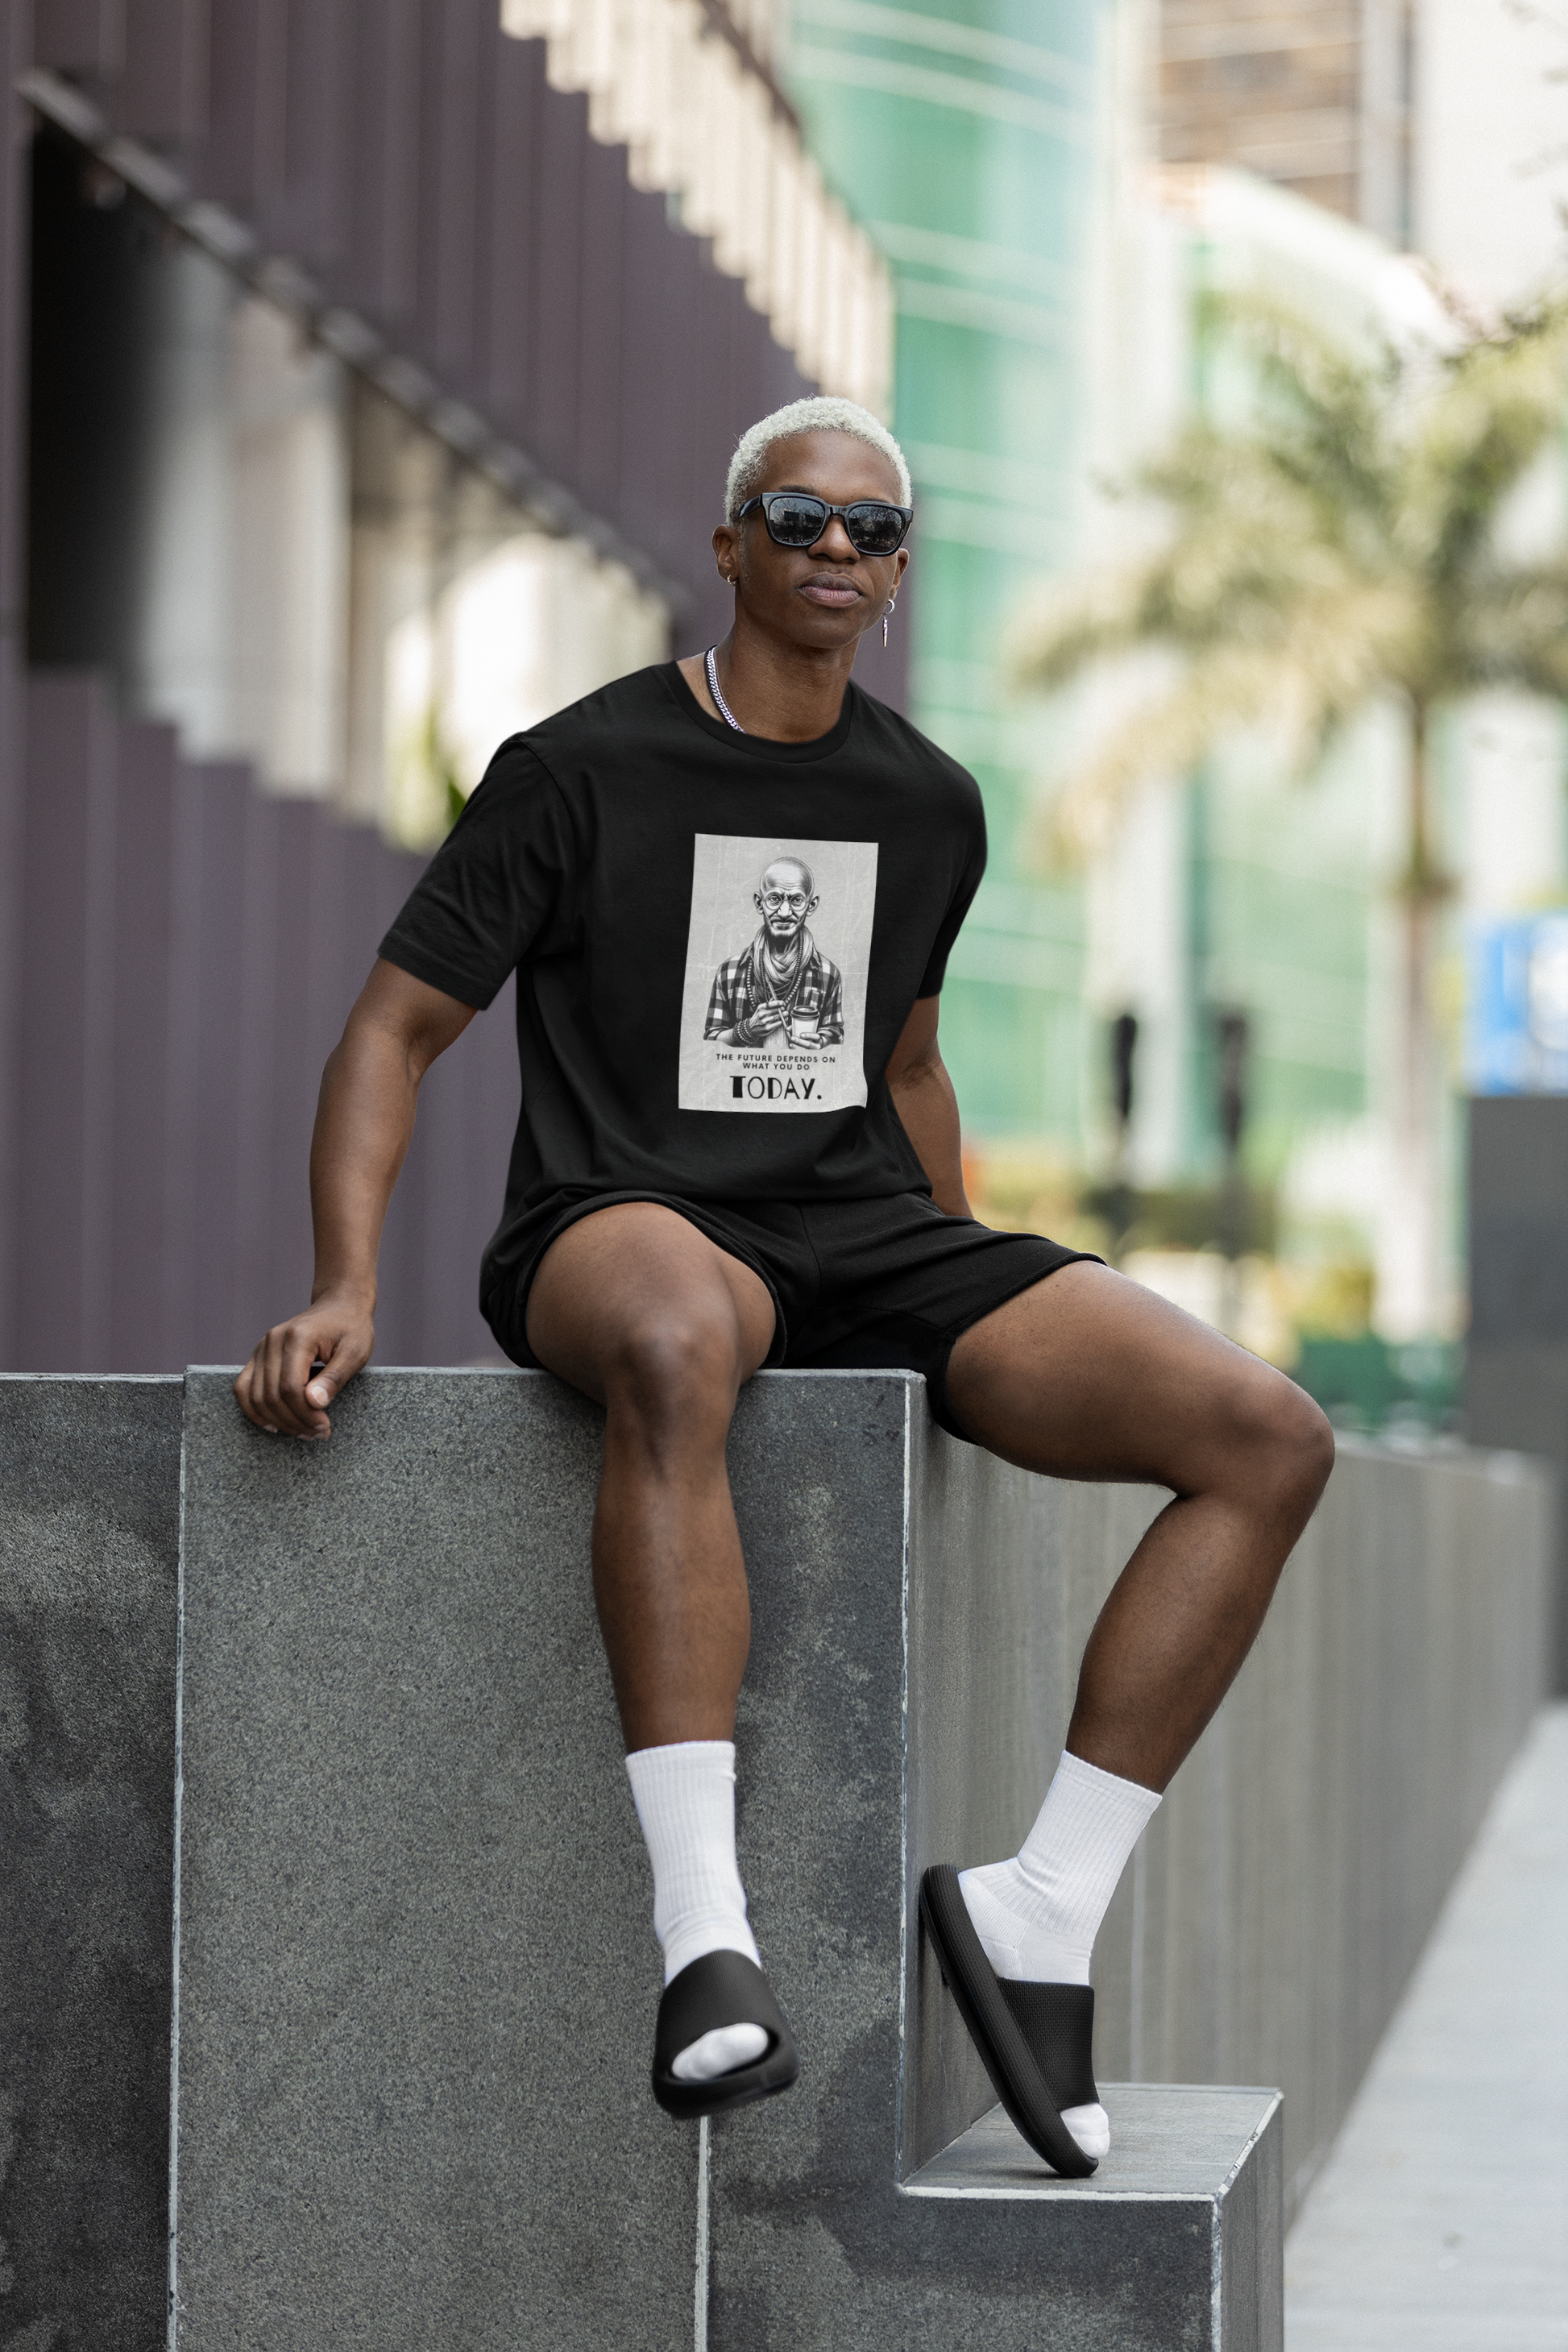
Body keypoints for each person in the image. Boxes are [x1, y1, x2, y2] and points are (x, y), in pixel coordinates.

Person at [234, 394, 1334, 2176]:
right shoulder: (576, 769)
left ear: (898, 577)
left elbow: (901, 1064)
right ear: (730, 540)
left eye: (873, 531)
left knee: (1267, 1433)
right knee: (678, 1339)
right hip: (624, 1216)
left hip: (856, 1232)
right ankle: (703, 1938)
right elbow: (397, 1026)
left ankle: (1041, 1910)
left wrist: (962, 1298)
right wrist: (344, 1279)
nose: (838, 549)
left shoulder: (925, 802)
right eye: (800, 517)